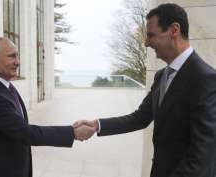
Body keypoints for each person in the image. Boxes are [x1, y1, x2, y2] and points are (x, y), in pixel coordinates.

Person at [74, 3, 216, 177]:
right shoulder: (161, 76)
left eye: (151, 35)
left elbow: (202, 156)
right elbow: (140, 118)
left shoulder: (207, 79)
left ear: (174, 30)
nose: (146, 42)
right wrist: (97, 125)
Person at [0, 37, 95, 177]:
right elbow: (25, 132)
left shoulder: (5, 85)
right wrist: (72, 132)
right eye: (12, 56)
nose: (17, 62)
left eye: (18, 55)